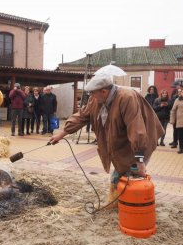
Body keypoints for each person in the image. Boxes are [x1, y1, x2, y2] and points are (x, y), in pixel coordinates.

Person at [50, 73, 163, 208]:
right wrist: (61, 135)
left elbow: (137, 130)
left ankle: (130, 205)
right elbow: (82, 116)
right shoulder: (96, 100)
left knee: (129, 173)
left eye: (93, 93)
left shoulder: (127, 98)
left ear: (104, 91)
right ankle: (118, 203)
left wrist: (140, 161)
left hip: (141, 140)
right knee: (121, 172)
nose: (91, 96)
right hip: (123, 142)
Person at [169, 83, 183, 148]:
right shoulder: (174, 96)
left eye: (179, 89)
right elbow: (171, 104)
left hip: (182, 115)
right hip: (175, 115)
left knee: (181, 130)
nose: (177, 88)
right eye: (177, 87)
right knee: (175, 130)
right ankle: (175, 142)